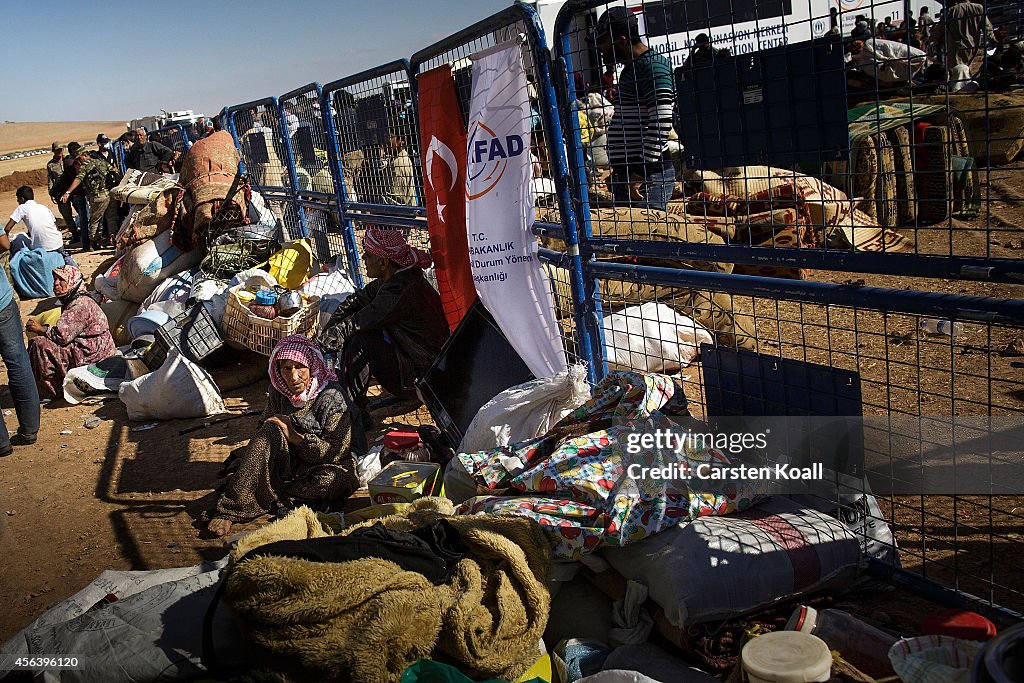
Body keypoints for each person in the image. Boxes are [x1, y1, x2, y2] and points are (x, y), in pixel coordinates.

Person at [205, 335, 357, 537]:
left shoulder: (332, 397)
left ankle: (275, 492)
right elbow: (265, 431)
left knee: (335, 480)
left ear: (312, 366)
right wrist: (278, 433)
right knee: (267, 431)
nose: (294, 377)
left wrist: (297, 437)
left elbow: (336, 451)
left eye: (300, 367)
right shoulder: (278, 393)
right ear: (279, 371)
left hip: (320, 464)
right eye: (287, 368)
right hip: (284, 461)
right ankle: (231, 509)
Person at [318, 227, 449, 447]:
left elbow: (361, 319)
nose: (363, 259)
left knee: (360, 340)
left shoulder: (401, 289)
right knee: (356, 334)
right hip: (412, 361)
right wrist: (329, 330)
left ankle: (352, 414)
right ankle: (352, 408)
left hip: (426, 375)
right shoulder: (392, 279)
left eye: (367, 255)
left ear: (383, 262)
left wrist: (335, 334)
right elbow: (355, 301)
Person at [594, 6, 676, 212]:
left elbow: (661, 123)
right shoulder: (631, 70)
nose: (599, 48)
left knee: (646, 238)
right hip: (632, 176)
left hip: (646, 179)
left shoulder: (653, 67)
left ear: (621, 40)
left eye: (603, 42)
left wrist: (639, 173)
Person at [26, 266, 115, 400]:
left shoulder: (80, 304)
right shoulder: (74, 300)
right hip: (89, 348)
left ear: (72, 281)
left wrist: (41, 329)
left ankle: (52, 390)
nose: (56, 283)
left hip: (93, 353)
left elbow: (62, 336)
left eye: (61, 279)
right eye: (55, 279)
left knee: (40, 344)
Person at [0, 227, 39, 456]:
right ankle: (29, 430)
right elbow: (5, 244)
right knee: (18, 362)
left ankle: (2, 444)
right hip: (3, 302)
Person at [60, 143, 120, 251]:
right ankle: (113, 238)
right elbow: (115, 172)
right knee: (111, 218)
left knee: (94, 220)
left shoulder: (85, 166)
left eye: (79, 159)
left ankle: (93, 242)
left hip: (98, 196)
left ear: (84, 155)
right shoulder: (101, 162)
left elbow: (78, 179)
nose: (79, 162)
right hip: (110, 194)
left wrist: (68, 192)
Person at [934, 0, 996, 78]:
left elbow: (940, 28)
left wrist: (930, 40)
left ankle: (960, 88)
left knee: (957, 71)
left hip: (955, 46)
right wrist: (992, 38)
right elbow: (987, 27)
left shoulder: (951, 10)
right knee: (966, 68)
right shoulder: (978, 8)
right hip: (972, 45)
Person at [6, 187, 66, 256]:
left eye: (18, 198)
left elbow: (7, 228)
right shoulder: (43, 207)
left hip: (43, 250)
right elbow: (55, 226)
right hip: (59, 244)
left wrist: (5, 240)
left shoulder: (22, 208)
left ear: (22, 199)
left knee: (20, 237)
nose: (17, 201)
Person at [46, 143, 77, 240]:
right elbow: (50, 179)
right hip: (60, 192)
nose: (59, 152)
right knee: (66, 214)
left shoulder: (68, 160)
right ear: (53, 151)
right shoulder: (51, 165)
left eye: (61, 150)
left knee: (81, 210)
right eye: (57, 150)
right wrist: (51, 193)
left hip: (73, 189)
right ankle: (75, 234)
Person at [383, 128, 416, 206]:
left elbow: (395, 198)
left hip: (400, 214)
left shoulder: (398, 163)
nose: (387, 141)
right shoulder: (398, 159)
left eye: (390, 137)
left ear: (402, 140)